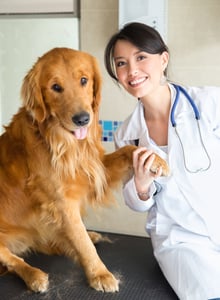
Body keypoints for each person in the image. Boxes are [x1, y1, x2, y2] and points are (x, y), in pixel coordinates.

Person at [104, 22, 220, 300]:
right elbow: (137, 202)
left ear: (163, 59)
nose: (131, 71)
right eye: (121, 63)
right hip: (181, 239)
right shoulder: (127, 136)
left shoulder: (209, 103)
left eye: (141, 57)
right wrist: (142, 186)